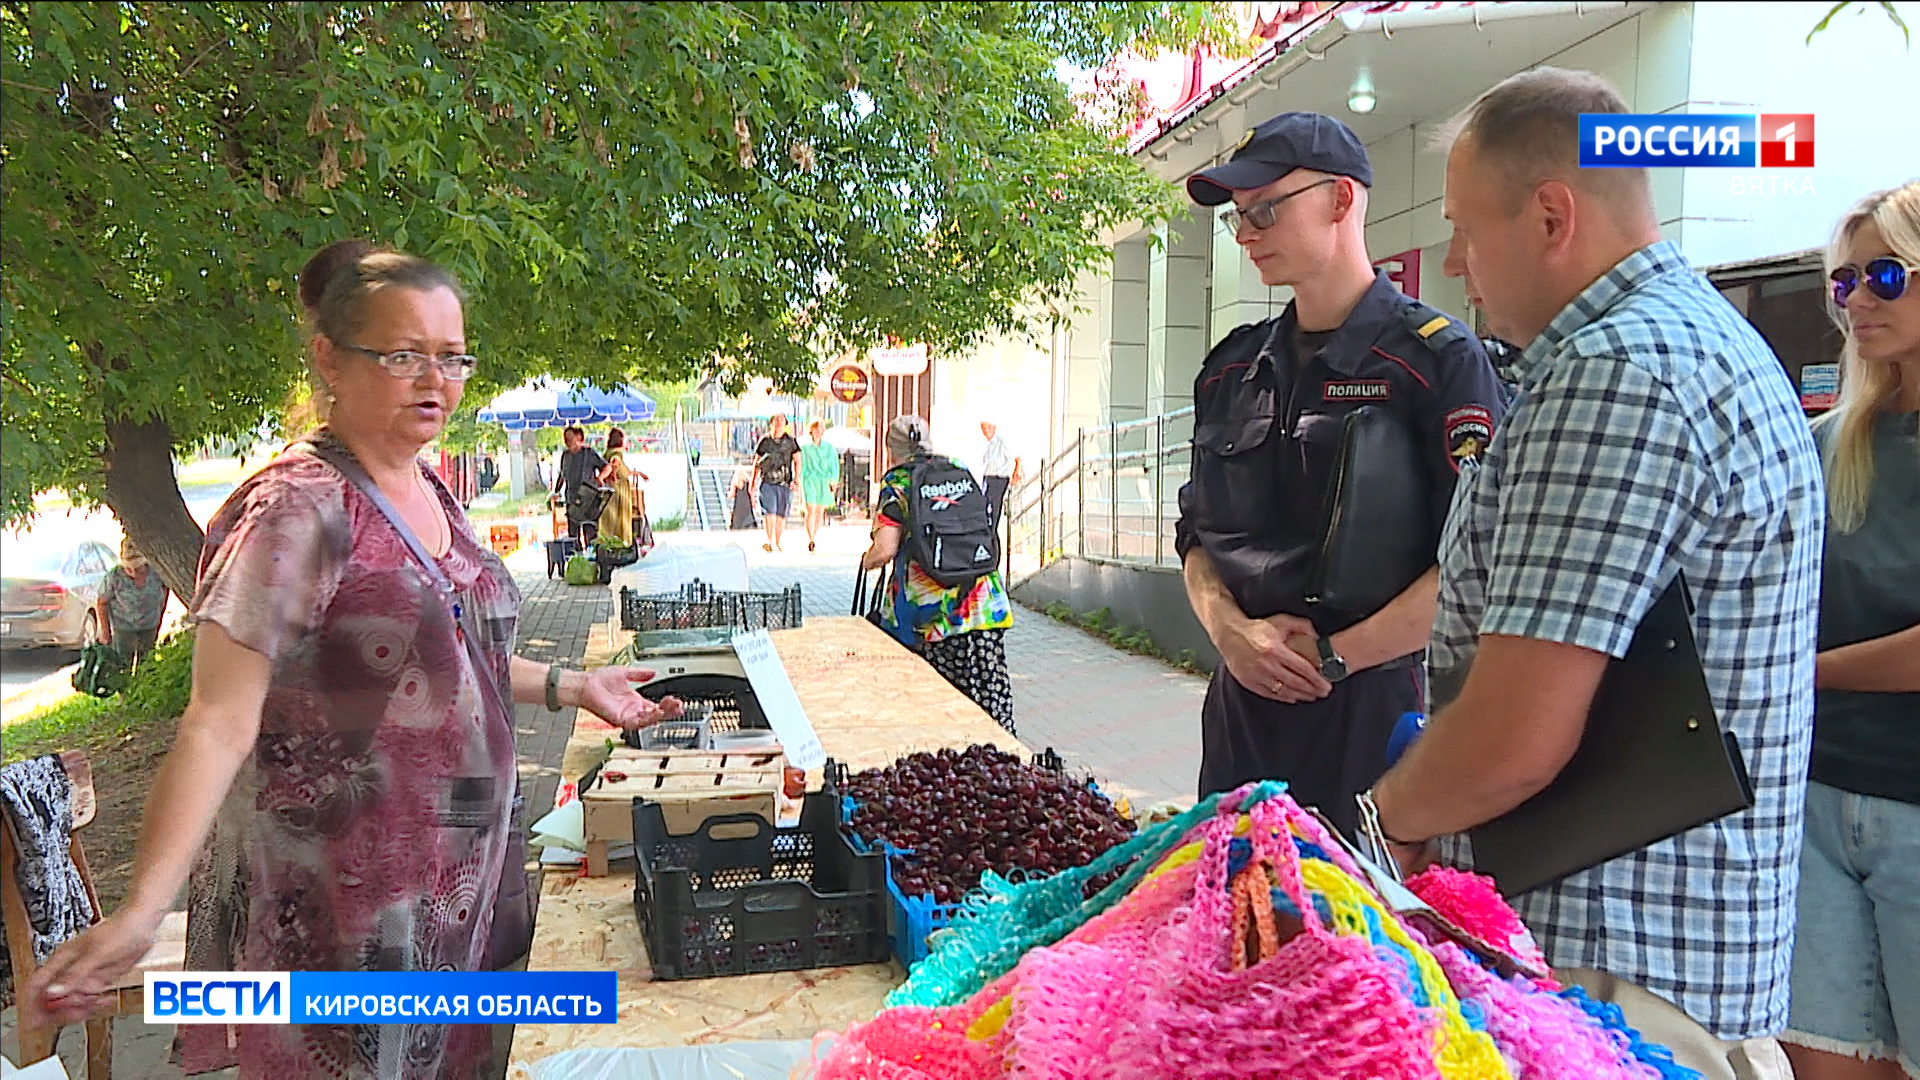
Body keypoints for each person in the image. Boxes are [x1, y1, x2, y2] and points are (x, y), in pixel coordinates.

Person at [21, 242, 683, 1079]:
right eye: (403, 355)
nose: (434, 380)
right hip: (347, 921)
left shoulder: (426, 487)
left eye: (452, 357)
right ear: (330, 359)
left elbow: (442, 660)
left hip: (452, 904)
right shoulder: (296, 510)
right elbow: (218, 720)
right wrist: (143, 910)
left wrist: (575, 685)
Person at [1364, 69, 1823, 1080]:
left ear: (1550, 216)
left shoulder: (1618, 374)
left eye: (1464, 228)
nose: (1454, 262)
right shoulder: (1695, 342)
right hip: (1658, 968)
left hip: (1611, 979)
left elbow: (1516, 737)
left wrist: (1384, 823)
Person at [1176, 110, 1509, 841]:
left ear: (1341, 199)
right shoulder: (1232, 369)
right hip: (1242, 713)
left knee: (1363, 911)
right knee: (1228, 900)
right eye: (1237, 216)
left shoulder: (1437, 363)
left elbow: (1478, 564)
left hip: (1380, 714)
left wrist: (1330, 658)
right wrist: (1231, 633)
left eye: (1265, 209)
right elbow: (1195, 537)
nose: (1246, 233)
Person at [1781, 181, 1920, 1080]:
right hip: (1819, 800)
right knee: (1822, 1061)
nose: (1858, 300)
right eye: (1844, 282)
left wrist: (1804, 672)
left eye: (1885, 276)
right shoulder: (1831, 442)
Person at [861, 416, 1016, 733]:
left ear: (891, 449)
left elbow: (886, 548)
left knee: (937, 715)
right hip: (984, 604)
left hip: (932, 618)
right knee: (990, 711)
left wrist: (867, 561)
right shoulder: (956, 467)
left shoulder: (898, 481)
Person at [95, 537, 169, 667]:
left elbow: (165, 591)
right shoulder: (114, 577)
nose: (133, 572)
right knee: (123, 664)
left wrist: (160, 615)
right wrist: (106, 632)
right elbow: (102, 603)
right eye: (128, 568)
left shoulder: (157, 572)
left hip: (149, 625)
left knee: (147, 664)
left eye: (138, 568)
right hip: (123, 628)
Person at [753, 413, 801, 553]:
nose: (779, 422)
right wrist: (752, 482)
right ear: (771, 423)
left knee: (781, 514)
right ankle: (769, 541)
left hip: (785, 482)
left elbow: (798, 460)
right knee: (770, 512)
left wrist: (796, 479)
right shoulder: (765, 441)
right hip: (767, 481)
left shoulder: (791, 442)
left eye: (782, 420)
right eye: (776, 419)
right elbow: (756, 462)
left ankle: (778, 542)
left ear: (786, 423)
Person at [596, 427, 650, 548]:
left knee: (610, 519)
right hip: (619, 490)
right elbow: (614, 464)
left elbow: (623, 470)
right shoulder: (616, 453)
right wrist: (614, 475)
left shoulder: (607, 452)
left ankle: (609, 542)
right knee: (620, 518)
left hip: (611, 488)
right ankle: (620, 543)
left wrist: (638, 473)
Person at [553, 424, 606, 545]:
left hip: (588, 499)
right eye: (566, 439)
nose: (567, 441)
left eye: (570, 438)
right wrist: (556, 491)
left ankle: (591, 551)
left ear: (578, 438)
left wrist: (600, 478)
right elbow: (562, 474)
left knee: (590, 532)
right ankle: (575, 552)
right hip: (571, 499)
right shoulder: (565, 455)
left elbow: (606, 466)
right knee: (573, 534)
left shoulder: (589, 453)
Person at [800, 419, 838, 552]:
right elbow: (801, 466)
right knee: (810, 509)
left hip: (824, 481)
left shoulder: (829, 448)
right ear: (811, 430)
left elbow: (834, 466)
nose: (818, 431)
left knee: (819, 511)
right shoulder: (805, 448)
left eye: (821, 428)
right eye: (816, 428)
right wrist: (799, 480)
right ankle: (810, 538)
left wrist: (834, 481)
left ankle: (814, 537)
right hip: (809, 480)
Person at [978, 420, 1022, 526]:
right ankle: (989, 529)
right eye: (984, 428)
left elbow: (1016, 457)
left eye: (988, 428)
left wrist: (1016, 472)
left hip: (999, 477)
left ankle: (993, 529)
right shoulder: (987, 444)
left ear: (994, 428)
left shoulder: (1002, 441)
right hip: (988, 477)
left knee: (994, 506)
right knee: (985, 504)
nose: (986, 431)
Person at [728, 460, 758, 531]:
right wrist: (753, 502)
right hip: (747, 503)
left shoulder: (735, 483)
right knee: (748, 516)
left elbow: (732, 494)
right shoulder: (748, 482)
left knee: (738, 519)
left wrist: (728, 494)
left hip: (738, 503)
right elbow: (751, 493)